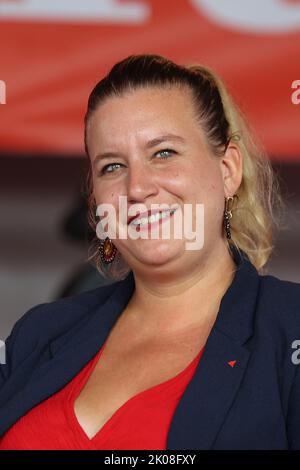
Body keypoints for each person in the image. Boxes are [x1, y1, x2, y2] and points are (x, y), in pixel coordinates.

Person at [0, 53, 299, 450]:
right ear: (95, 199)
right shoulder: (37, 334)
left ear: (228, 170)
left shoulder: (290, 328)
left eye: (163, 153)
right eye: (111, 167)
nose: (137, 188)